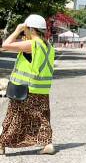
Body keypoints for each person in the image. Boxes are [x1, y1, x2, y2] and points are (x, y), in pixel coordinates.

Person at [0, 15, 56, 155]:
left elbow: (5, 45)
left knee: (15, 117)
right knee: (42, 117)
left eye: (26, 28)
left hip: (26, 89)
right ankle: (47, 144)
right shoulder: (48, 46)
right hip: (41, 89)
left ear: (31, 29)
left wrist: (17, 30)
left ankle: (1, 144)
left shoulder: (32, 44)